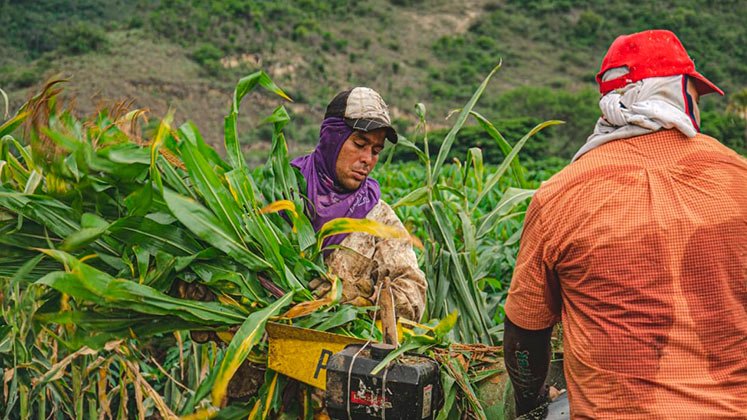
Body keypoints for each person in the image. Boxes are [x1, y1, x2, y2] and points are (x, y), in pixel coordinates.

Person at [503, 29, 747, 418]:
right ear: (678, 94)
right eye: (695, 96)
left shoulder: (561, 195)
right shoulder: (739, 178)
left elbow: (525, 335)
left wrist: (530, 407)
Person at [295, 86, 427, 322]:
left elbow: (413, 294)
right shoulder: (282, 195)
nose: (368, 159)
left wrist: (359, 298)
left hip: (342, 355)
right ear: (331, 139)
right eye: (359, 144)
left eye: (376, 151)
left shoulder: (377, 218)